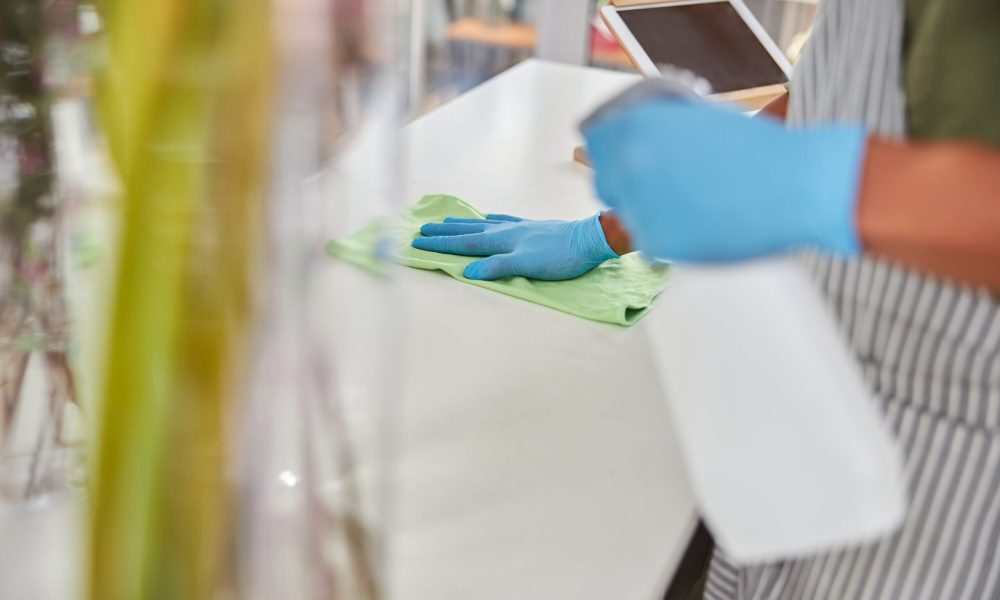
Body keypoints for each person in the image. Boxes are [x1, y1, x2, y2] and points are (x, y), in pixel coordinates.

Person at [413, 0, 1000, 597]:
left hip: (959, 472)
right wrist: (611, 230)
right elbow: (832, 95)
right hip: (815, 406)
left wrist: (805, 181)